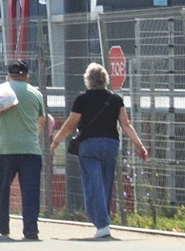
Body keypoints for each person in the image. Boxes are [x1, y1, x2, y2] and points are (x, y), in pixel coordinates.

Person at [50, 62, 149, 239]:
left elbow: (70, 125)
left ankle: (101, 223)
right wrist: (140, 146)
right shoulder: (115, 99)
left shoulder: (82, 99)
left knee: (92, 184)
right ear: (105, 80)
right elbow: (125, 125)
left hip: (89, 146)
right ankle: (103, 221)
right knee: (106, 184)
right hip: (111, 145)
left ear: (88, 80)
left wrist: (56, 141)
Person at [0, 60, 50, 241]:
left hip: (5, 148)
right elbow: (42, 120)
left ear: (9, 75)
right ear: (26, 75)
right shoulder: (35, 93)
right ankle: (31, 229)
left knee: (4, 188)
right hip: (30, 150)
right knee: (30, 191)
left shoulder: (1, 92)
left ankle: (1, 224)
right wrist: (30, 132)